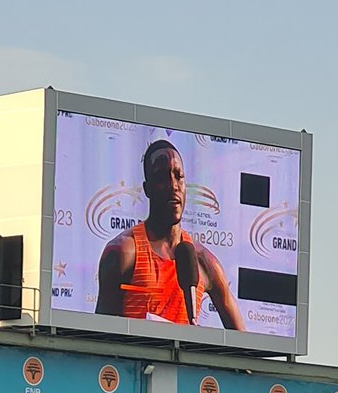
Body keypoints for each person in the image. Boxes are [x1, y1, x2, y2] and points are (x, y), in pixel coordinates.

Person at [95, 140, 245, 329]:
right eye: (162, 177)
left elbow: (241, 340)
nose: (173, 186)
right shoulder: (123, 251)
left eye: (178, 176)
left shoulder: (203, 261)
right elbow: (100, 336)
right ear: (147, 189)